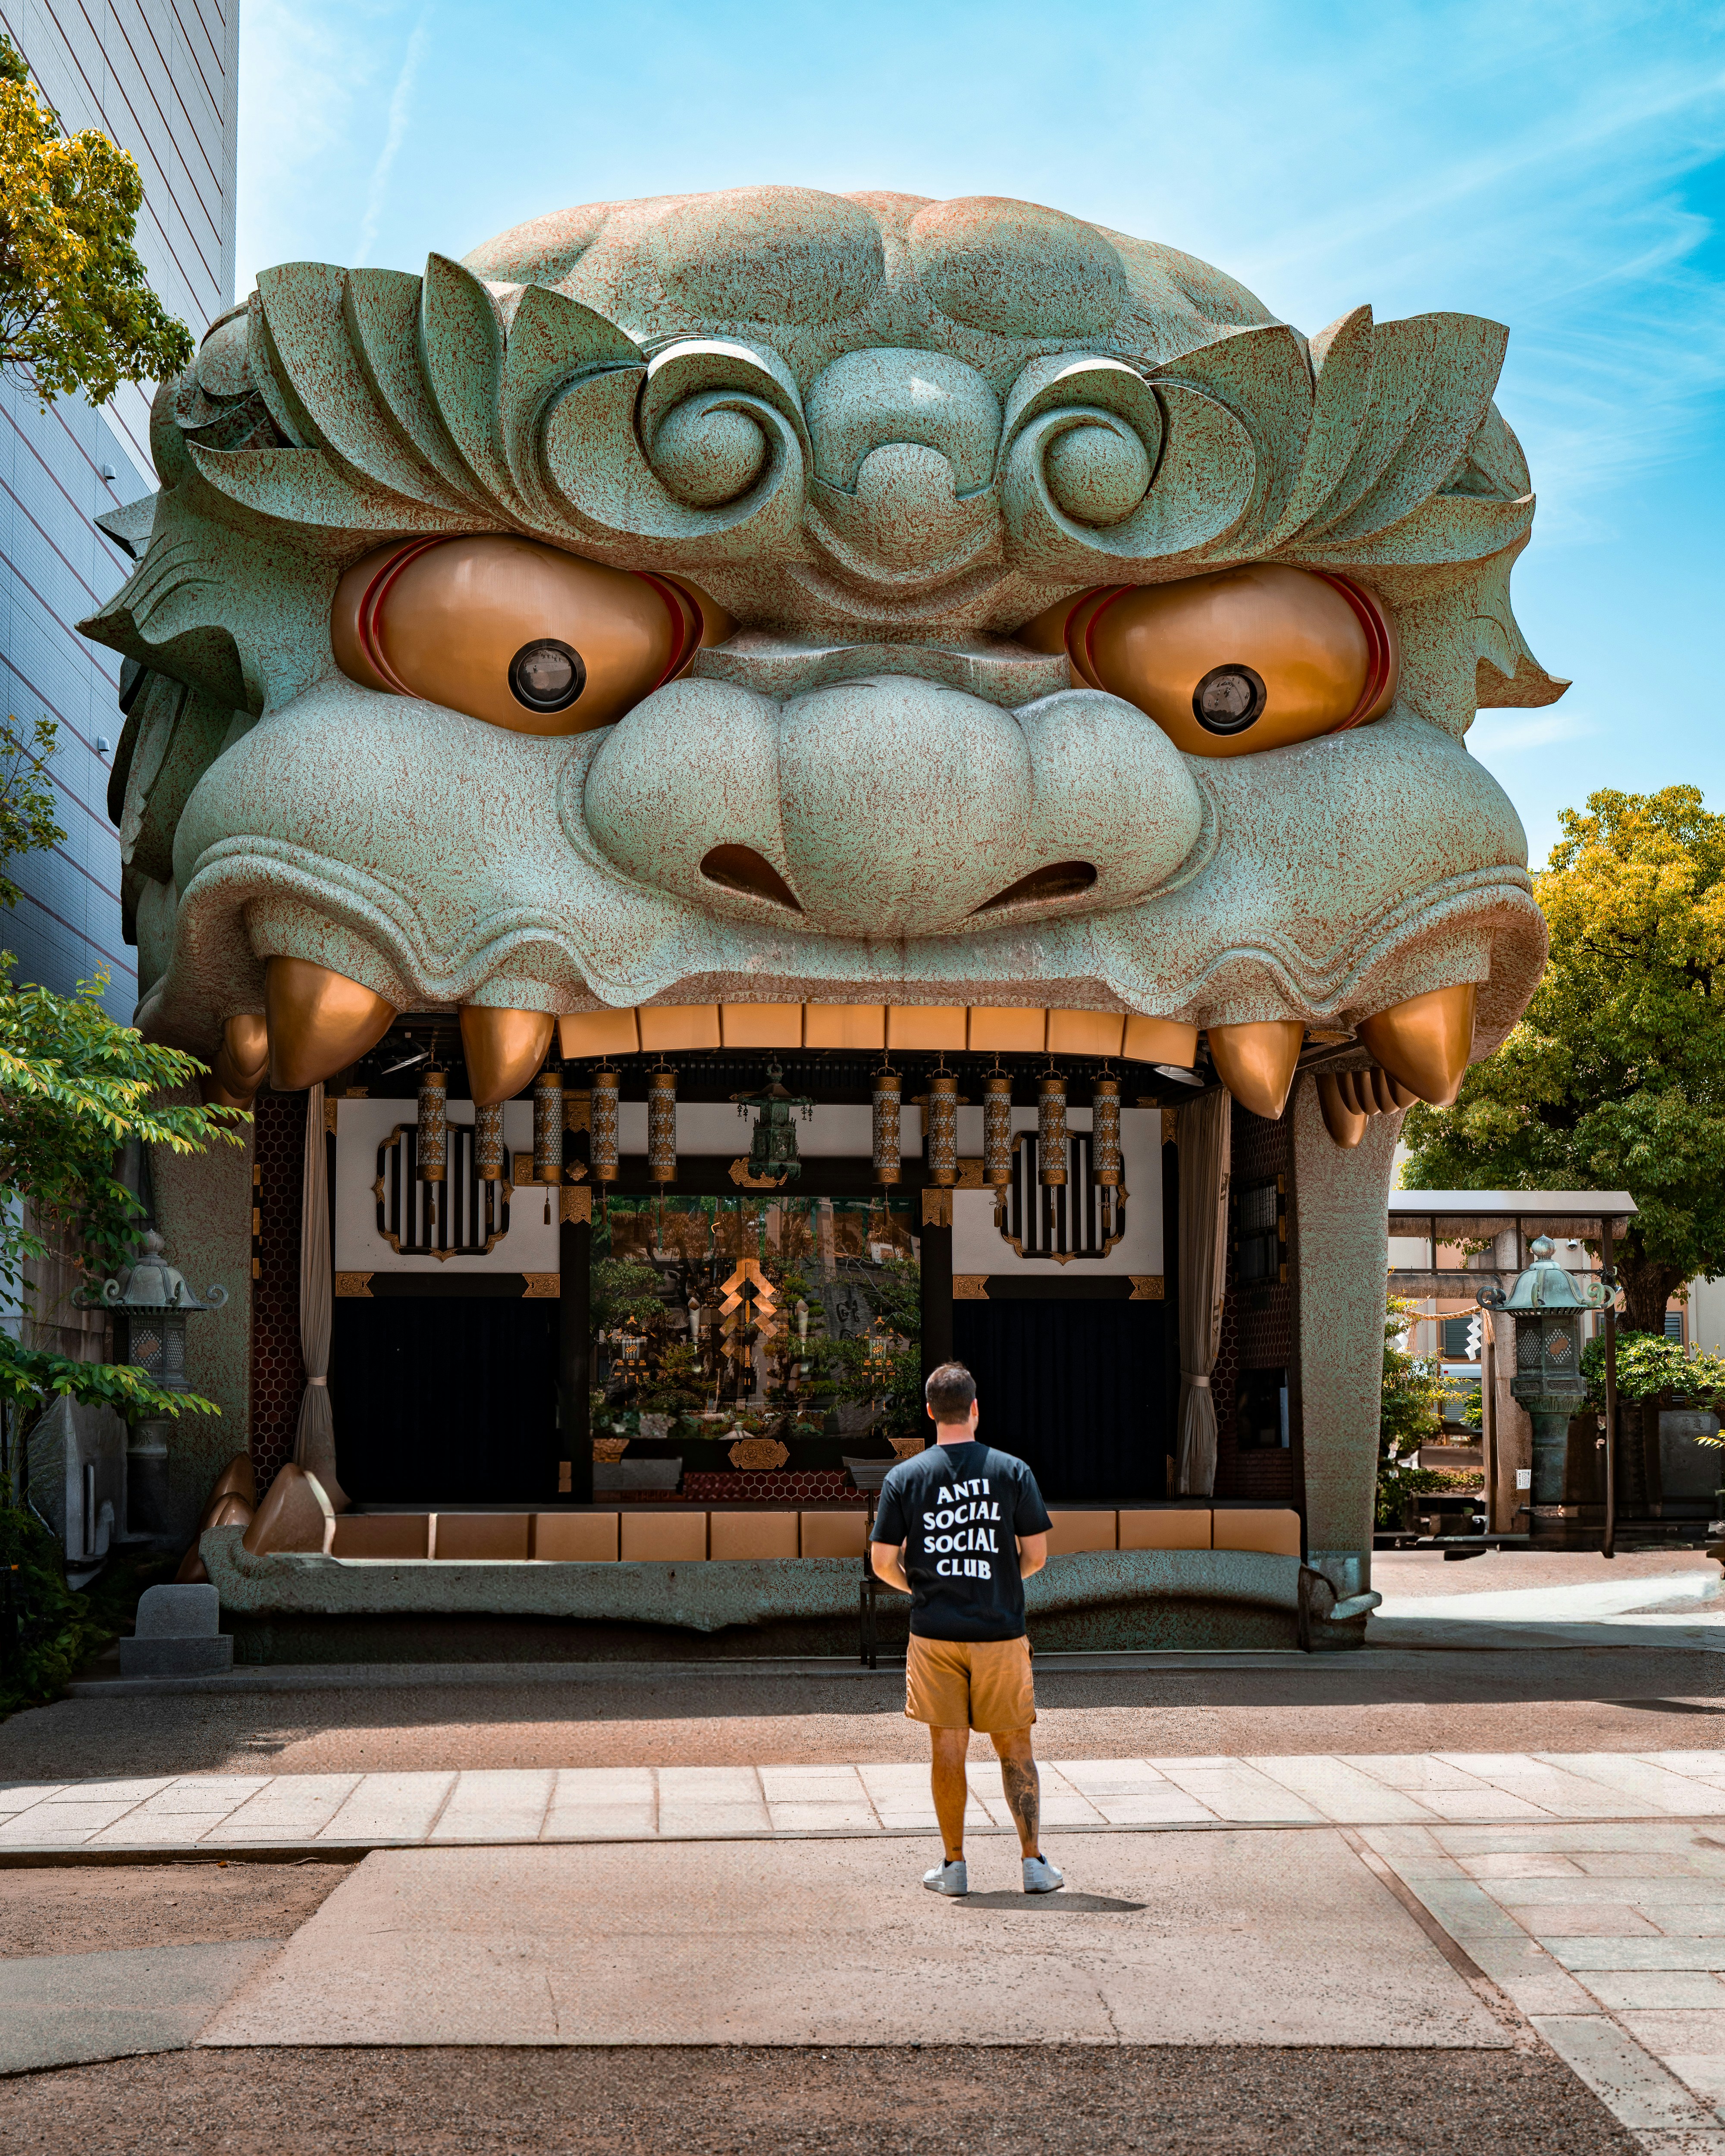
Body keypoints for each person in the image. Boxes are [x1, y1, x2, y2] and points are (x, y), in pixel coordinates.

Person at [869, 1360, 1061, 1896]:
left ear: (930, 1412)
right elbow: (1037, 1556)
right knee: (1015, 1748)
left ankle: (953, 1867)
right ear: (975, 1408)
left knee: (947, 1750)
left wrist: (925, 1588)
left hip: (935, 1633)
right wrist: (995, 1580)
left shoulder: (904, 1477)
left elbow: (883, 1562)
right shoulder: (1012, 1470)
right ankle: (1033, 1864)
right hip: (1000, 1631)